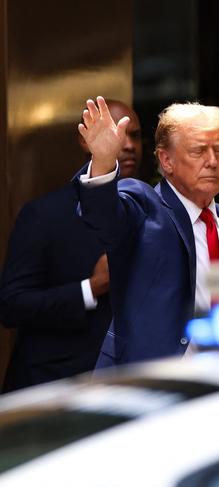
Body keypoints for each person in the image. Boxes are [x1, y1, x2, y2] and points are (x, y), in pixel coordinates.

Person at [76, 96, 219, 368]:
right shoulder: (145, 205)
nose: (212, 161)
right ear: (166, 160)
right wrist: (102, 161)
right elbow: (102, 217)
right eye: (198, 151)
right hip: (157, 385)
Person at [0, 100, 142, 392]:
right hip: (54, 389)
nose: (126, 144)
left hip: (129, 386)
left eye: (135, 135)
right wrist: (91, 287)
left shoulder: (156, 212)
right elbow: (12, 305)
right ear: (84, 139)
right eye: (116, 132)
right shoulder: (45, 213)